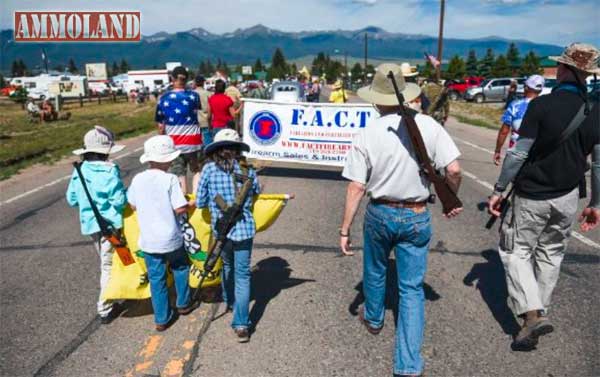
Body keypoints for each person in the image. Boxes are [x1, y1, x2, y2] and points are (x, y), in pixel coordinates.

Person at [340, 63, 462, 377]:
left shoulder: (367, 132)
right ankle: (407, 365)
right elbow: (454, 170)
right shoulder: (430, 126)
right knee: (411, 290)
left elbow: (356, 186)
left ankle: (374, 316)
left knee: (376, 268)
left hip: (380, 211)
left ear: (377, 99)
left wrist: (344, 230)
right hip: (417, 214)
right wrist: (450, 195)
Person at [488, 43, 600, 350]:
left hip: (533, 194)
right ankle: (538, 314)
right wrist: (596, 204)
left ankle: (532, 315)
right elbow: (599, 163)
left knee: (516, 252)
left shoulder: (541, 106)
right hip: (568, 196)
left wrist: (498, 190)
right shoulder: (595, 111)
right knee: (551, 254)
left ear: (563, 70)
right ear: (587, 74)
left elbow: (518, 153)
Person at [196, 129, 261, 343]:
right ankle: (242, 323)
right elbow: (256, 194)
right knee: (243, 275)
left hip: (222, 232)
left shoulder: (208, 170)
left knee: (226, 266)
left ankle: (229, 299)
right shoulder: (248, 170)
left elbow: (200, 202)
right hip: (244, 230)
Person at [128, 135, 194, 331]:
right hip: (171, 237)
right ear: (169, 160)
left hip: (149, 239)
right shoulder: (170, 179)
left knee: (156, 278)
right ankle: (183, 303)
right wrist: (191, 204)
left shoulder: (138, 179)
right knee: (180, 267)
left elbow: (132, 204)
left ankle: (161, 318)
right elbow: (180, 208)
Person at [66, 126, 127, 324]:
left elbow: (72, 199)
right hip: (110, 225)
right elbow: (119, 201)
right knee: (109, 265)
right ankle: (105, 307)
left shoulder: (79, 170)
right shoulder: (109, 170)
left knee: (107, 261)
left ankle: (117, 293)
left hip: (92, 225)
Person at [155, 66, 202, 195]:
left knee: (179, 174)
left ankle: (184, 205)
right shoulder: (194, 96)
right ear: (186, 79)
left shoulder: (163, 98)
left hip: (174, 143)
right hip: (193, 141)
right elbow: (197, 110)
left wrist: (161, 141)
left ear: (172, 79)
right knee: (197, 170)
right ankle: (197, 201)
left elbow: (160, 125)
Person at [493, 75, 545, 165]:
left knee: (507, 179)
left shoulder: (515, 105)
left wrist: (497, 150)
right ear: (540, 90)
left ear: (526, 87)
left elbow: (504, 131)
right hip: (536, 156)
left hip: (515, 153)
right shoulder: (545, 106)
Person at [194, 75, 213, 147]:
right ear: (203, 83)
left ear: (195, 83)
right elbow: (211, 108)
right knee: (208, 142)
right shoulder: (209, 94)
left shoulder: (192, 94)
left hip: (195, 121)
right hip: (206, 120)